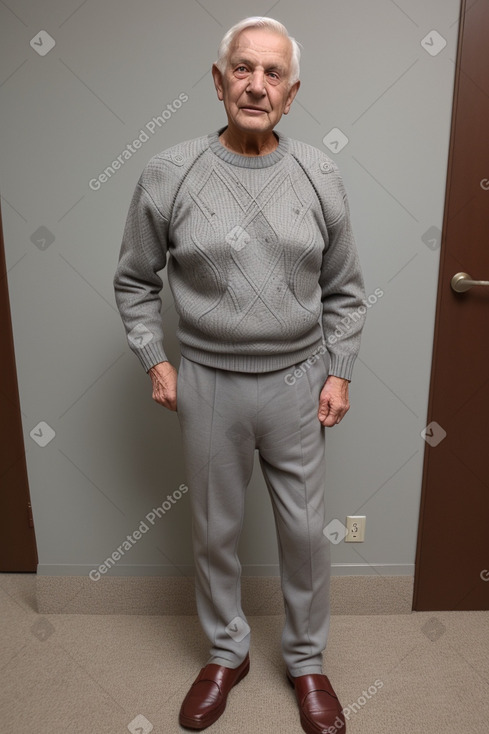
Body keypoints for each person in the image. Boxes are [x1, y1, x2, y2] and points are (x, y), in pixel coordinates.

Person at [114, 16, 366, 734]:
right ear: (219, 81)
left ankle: (306, 661)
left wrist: (338, 372)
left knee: (304, 534)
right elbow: (134, 282)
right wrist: (154, 357)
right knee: (214, 530)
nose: (257, 85)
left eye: (273, 73)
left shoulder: (320, 173)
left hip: (297, 380)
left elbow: (345, 289)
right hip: (207, 383)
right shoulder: (168, 172)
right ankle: (226, 652)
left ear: (291, 93)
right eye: (244, 70)